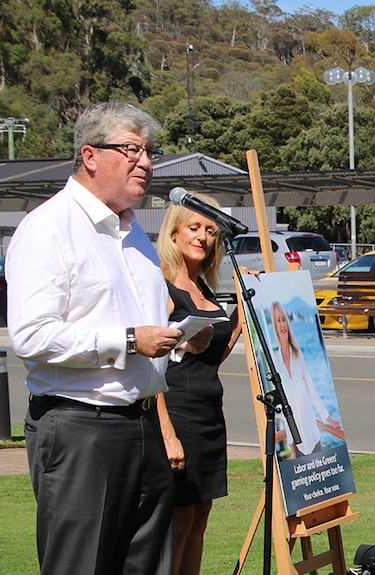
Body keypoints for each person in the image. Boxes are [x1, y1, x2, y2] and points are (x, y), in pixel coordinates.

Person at [6, 102, 185, 574]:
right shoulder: (48, 228)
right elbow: (32, 335)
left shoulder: (135, 235)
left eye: (149, 151)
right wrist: (130, 340)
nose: (145, 162)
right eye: (131, 149)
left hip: (144, 425)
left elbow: (141, 322)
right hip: (80, 427)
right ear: (89, 155)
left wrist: (182, 340)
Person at [155, 195, 245, 575]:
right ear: (174, 232)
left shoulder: (205, 290)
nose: (204, 238)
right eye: (195, 228)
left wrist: (240, 317)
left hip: (210, 417)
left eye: (211, 231)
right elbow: (151, 370)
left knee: (200, 521)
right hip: (178, 416)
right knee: (178, 525)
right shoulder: (160, 288)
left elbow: (209, 358)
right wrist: (168, 435)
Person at [270, 301, 343, 458]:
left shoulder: (298, 354)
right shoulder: (275, 361)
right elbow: (284, 404)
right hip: (296, 439)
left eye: (284, 319)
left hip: (312, 434)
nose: (282, 324)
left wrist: (328, 418)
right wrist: (290, 440)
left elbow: (312, 390)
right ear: (275, 325)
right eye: (278, 320)